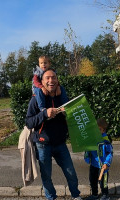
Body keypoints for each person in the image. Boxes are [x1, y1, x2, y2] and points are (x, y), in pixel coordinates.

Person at [26, 68, 82, 200]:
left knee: (71, 173)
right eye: (47, 78)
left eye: (54, 78)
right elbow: (29, 122)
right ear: (42, 81)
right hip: (42, 144)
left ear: (57, 81)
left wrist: (66, 114)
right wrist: (44, 114)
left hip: (60, 144)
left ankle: (76, 196)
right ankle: (51, 197)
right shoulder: (35, 100)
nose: (51, 80)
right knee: (46, 176)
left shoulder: (63, 98)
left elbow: (72, 119)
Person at [84, 118, 113, 200]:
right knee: (92, 180)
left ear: (103, 130)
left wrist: (107, 163)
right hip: (93, 164)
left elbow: (110, 153)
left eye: (99, 129)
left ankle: (105, 195)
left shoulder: (105, 141)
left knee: (103, 182)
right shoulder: (92, 139)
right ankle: (94, 194)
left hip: (103, 165)